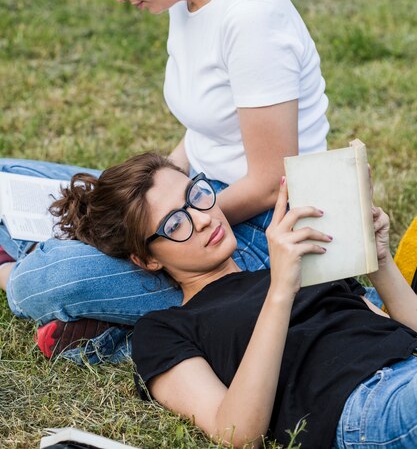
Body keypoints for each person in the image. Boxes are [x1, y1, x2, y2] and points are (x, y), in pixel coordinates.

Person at [0, 0, 329, 359]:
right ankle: (101, 294)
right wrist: (128, 204)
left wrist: (154, 230)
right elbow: (201, 134)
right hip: (188, 195)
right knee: (7, 177)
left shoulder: (252, 17)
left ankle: (45, 280)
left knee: (40, 281)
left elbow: (268, 182)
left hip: (249, 232)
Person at [33, 151, 417, 449]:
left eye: (197, 195)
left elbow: (403, 330)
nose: (201, 218)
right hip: (369, 402)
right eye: (175, 223)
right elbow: (236, 432)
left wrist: (380, 260)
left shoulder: (295, 265)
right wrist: (281, 290)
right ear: (147, 258)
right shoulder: (164, 329)